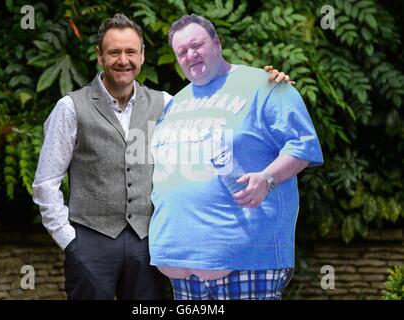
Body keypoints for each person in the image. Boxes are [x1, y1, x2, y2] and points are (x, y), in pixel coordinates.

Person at [32, 13, 291, 300]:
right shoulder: (70, 107)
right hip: (91, 242)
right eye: (114, 52)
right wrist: (71, 242)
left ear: (142, 56)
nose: (123, 60)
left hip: (148, 244)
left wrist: (269, 83)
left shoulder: (169, 104)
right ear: (99, 56)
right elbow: (45, 183)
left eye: (131, 51)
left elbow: (217, 109)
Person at [148, 14, 324, 300]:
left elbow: (302, 144)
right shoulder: (175, 102)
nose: (190, 55)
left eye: (197, 45)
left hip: (245, 261)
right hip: (179, 265)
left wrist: (268, 177)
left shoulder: (267, 84)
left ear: (217, 42)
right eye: (181, 51)